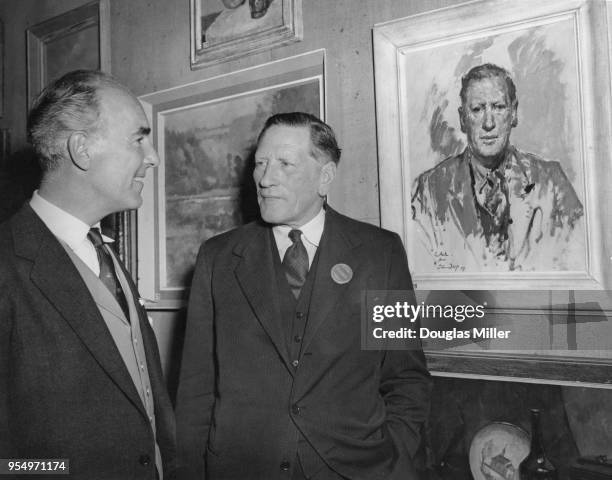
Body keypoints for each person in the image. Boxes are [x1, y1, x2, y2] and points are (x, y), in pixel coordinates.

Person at [176, 112, 431, 480]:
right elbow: (196, 389)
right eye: (260, 163)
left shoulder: (379, 253)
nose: (265, 179)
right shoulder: (218, 257)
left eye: (284, 164)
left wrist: (394, 460)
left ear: (325, 177)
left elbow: (405, 378)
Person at [0, 70, 176, 479]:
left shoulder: (106, 253)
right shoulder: (7, 264)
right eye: (139, 138)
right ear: (81, 149)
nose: (152, 156)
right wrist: (60, 472)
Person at [411, 63, 584, 272]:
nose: (489, 123)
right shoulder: (429, 189)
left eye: (499, 107)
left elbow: (577, 262)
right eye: (477, 109)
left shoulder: (552, 182)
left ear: (513, 113)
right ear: (463, 119)